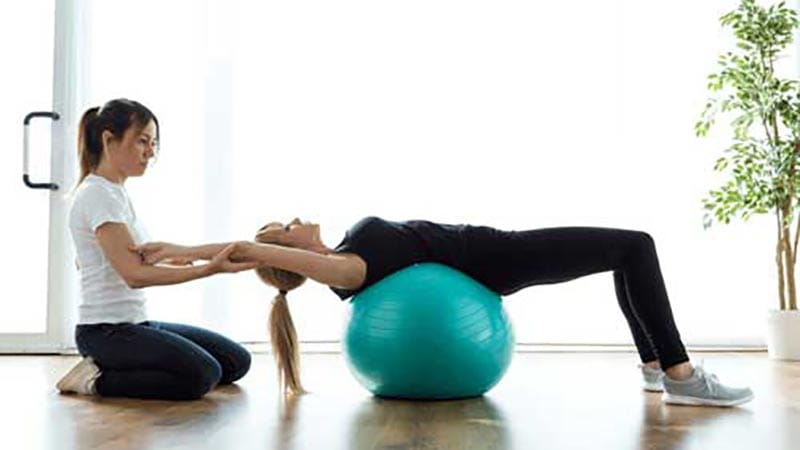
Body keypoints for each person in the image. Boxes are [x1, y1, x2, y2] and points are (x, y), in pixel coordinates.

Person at [132, 215, 754, 407]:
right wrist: (189, 252)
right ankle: (679, 375)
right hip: (499, 260)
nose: (296, 218)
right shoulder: (348, 272)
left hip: (494, 251)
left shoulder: (346, 255)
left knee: (623, 254)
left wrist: (206, 251)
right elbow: (247, 250)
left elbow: (257, 247)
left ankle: (656, 369)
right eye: (285, 228)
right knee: (633, 247)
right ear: (288, 253)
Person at [55, 99, 257, 401]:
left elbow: (156, 255)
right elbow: (135, 275)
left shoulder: (115, 193)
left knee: (236, 361)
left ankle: (126, 367)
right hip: (104, 332)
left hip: (136, 324)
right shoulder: (97, 196)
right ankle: (94, 381)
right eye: (142, 141)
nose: (150, 152)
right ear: (109, 140)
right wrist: (209, 269)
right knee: (203, 374)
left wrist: (238, 250)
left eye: (154, 143)